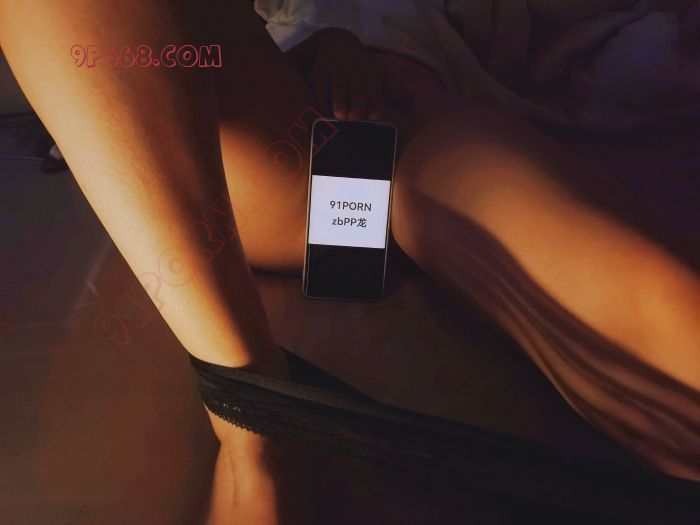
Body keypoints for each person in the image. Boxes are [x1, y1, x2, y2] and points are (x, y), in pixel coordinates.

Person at [0, 0, 697, 523]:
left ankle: (260, 417)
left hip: (424, 119)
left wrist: (390, 50)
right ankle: (254, 412)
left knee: (654, 307)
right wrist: (329, 38)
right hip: (296, 139)